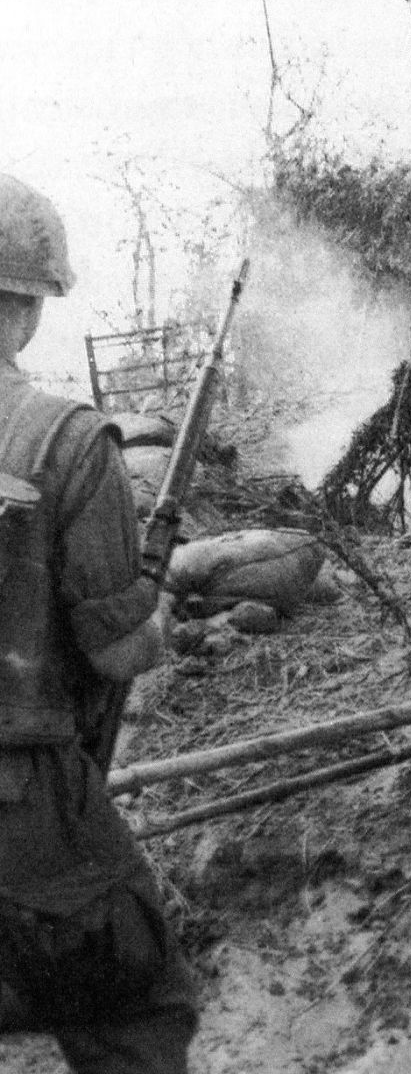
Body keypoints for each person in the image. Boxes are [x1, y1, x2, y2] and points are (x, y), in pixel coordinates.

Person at [0, 173, 196, 1073]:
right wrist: (156, 616)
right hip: (23, 804)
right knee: (137, 1008)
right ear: (29, 306)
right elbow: (116, 651)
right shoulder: (68, 441)